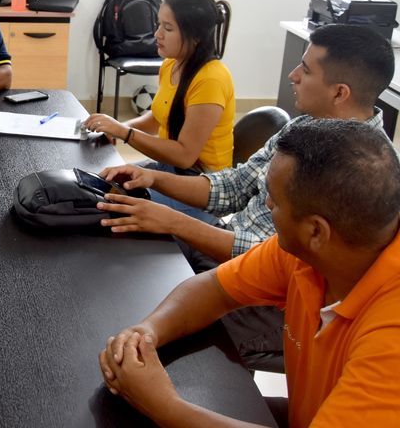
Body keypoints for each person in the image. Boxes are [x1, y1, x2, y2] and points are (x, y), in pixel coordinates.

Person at [96, 23, 394, 363]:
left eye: (306, 70)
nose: (293, 76)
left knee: (171, 351)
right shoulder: (305, 127)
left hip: (276, 301)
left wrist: (175, 222)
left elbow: (278, 261)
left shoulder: (368, 174)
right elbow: (234, 187)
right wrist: (152, 178)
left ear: (340, 93)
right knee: (124, 265)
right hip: (233, 260)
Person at [99, 118, 400, 427]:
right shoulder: (306, 253)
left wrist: (164, 406)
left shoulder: (390, 339)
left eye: (275, 201)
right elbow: (216, 287)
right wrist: (147, 331)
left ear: (316, 231)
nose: (266, 203)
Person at [85, 0, 234, 172]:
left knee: (108, 185)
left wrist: (124, 132)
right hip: (172, 166)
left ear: (195, 36)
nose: (157, 34)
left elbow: (185, 156)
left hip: (202, 178)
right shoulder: (171, 64)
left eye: (168, 28)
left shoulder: (211, 80)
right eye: (159, 24)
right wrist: (118, 129)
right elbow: (159, 117)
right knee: (100, 178)